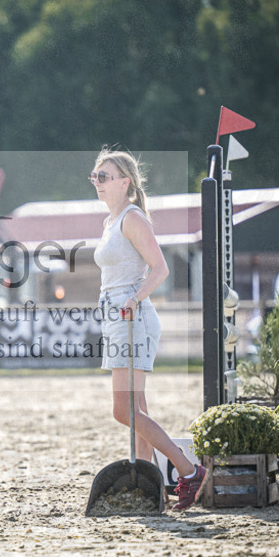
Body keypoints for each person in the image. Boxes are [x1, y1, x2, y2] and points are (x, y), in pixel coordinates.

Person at [90, 148, 208, 511]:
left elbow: (160, 269)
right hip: (118, 315)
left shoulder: (132, 218)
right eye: (95, 176)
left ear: (125, 182)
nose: (98, 182)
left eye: (105, 176)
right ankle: (148, 487)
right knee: (136, 408)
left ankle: (189, 471)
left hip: (131, 315)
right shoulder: (110, 222)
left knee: (123, 410)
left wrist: (134, 299)